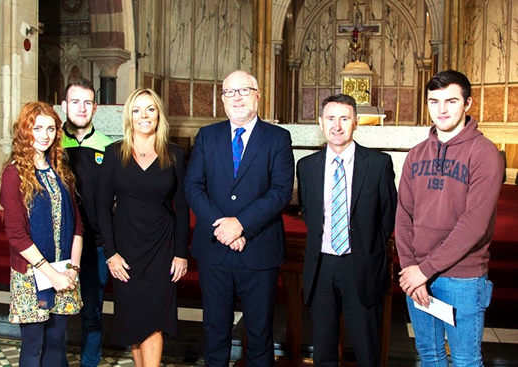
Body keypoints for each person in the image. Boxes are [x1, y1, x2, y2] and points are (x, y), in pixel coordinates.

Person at [185, 70, 294, 366]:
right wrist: (223, 228)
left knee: (259, 334)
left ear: (258, 95)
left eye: (244, 91)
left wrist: (241, 225)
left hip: (258, 251)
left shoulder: (278, 138)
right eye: (230, 92)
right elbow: (193, 187)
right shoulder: (208, 136)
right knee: (215, 332)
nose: (237, 98)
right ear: (222, 99)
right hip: (214, 250)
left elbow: (281, 191)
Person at [395, 70, 505, 366]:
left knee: (465, 360)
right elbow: (403, 215)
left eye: (451, 101)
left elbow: (474, 225)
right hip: (418, 276)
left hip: (463, 277)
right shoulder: (416, 154)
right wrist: (410, 269)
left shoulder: (485, 154)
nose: (441, 110)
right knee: (429, 357)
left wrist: (423, 270)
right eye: (434, 101)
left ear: (468, 103)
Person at [297, 94, 397, 367]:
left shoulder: (378, 165)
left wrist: (367, 246)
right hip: (322, 268)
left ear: (356, 123)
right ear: (320, 123)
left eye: (344, 118)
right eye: (330, 118)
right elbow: (309, 213)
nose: (337, 126)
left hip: (361, 266)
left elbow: (388, 216)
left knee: (367, 351)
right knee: (324, 351)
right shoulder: (306, 167)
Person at [97, 88, 189, 366]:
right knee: (133, 318)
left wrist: (181, 252)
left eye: (150, 109)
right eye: (137, 110)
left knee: (154, 320)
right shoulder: (114, 154)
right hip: (125, 249)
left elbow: (183, 206)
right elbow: (102, 207)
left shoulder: (174, 153)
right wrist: (110, 253)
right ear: (129, 116)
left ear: (158, 114)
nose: (144, 115)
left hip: (161, 247)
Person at [0, 102, 83, 366]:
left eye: (50, 128)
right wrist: (53, 275)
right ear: (25, 131)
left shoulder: (62, 172)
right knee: (35, 346)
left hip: (65, 270)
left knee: (57, 343)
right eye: (37, 128)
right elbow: (17, 235)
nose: (45, 135)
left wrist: (72, 269)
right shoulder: (14, 174)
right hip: (31, 274)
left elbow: (78, 225)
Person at [61, 78, 114, 367]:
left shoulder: (108, 147)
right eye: (75, 102)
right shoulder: (52, 143)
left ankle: (89, 363)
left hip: (96, 244)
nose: (81, 108)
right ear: (64, 105)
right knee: (52, 311)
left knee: (93, 311)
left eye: (87, 102)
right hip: (58, 244)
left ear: (95, 107)